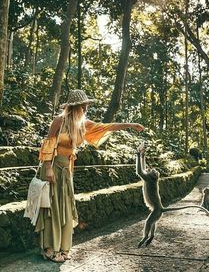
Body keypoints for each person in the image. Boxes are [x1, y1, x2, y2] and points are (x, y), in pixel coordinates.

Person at [35, 89, 144, 262]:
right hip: (53, 166)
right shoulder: (59, 121)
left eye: (86, 106)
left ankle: (63, 247)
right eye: (84, 106)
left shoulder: (82, 124)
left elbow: (106, 127)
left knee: (66, 207)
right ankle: (49, 248)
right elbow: (48, 144)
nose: (86, 109)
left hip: (67, 169)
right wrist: (48, 168)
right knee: (53, 207)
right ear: (75, 107)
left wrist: (130, 125)